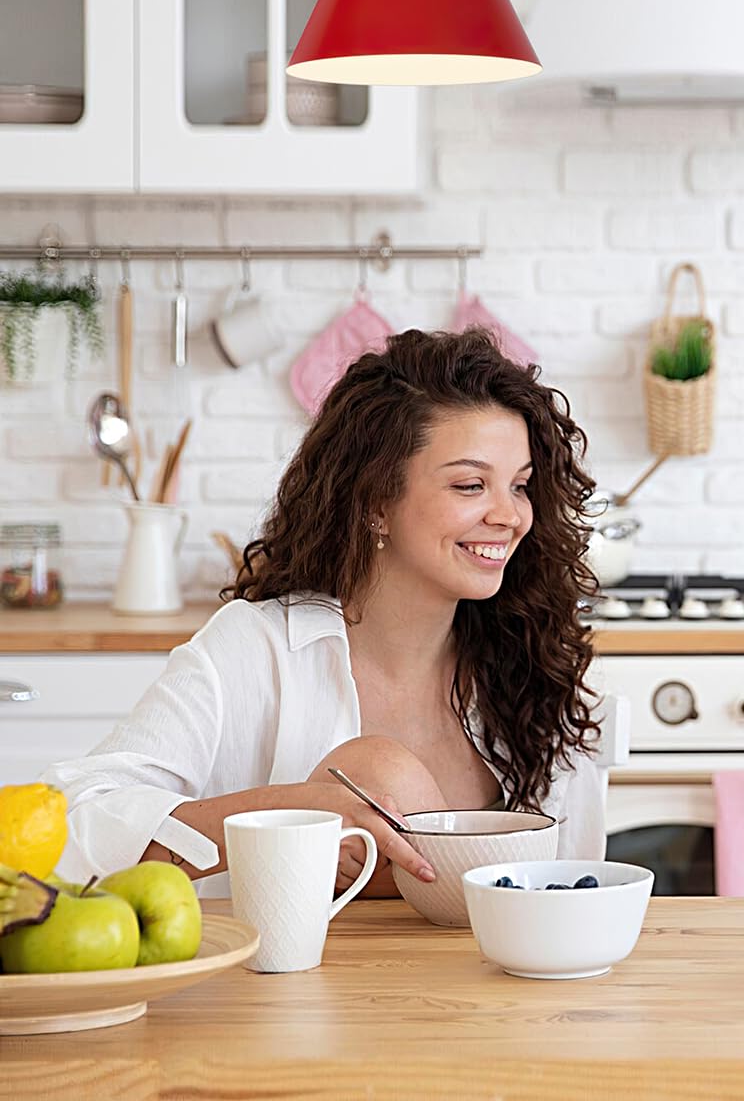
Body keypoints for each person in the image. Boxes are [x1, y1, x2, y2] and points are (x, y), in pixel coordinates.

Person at [50, 327, 604, 897]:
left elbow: (577, 885)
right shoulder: (255, 649)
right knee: (377, 768)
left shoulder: (536, 661)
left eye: (519, 486)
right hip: (299, 986)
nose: (509, 515)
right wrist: (288, 814)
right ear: (375, 503)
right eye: (469, 485)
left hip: (492, 986)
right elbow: (70, 829)